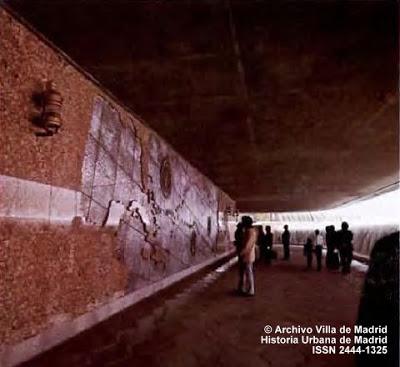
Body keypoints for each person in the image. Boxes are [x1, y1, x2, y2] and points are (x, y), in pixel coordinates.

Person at [239, 216, 257, 296]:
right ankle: (246, 288)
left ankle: (251, 290)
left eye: (243, 221)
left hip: (248, 255)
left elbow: (248, 245)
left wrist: (241, 253)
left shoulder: (250, 232)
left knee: (249, 272)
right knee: (247, 272)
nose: (241, 222)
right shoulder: (249, 231)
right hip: (248, 255)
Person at [234, 222, 245, 293]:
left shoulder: (237, 232)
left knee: (241, 269)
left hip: (239, 251)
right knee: (243, 269)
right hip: (242, 252)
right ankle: (242, 286)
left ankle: (240, 286)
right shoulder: (242, 233)